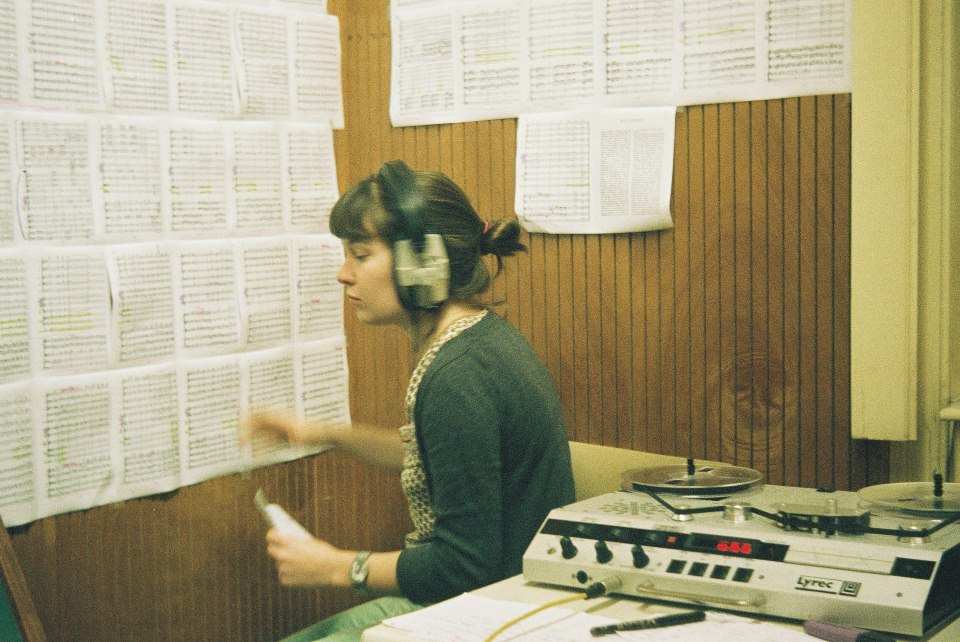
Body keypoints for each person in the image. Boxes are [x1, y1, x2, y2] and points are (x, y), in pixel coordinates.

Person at [240, 160, 575, 642]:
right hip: (488, 597)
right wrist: (324, 433)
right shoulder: (478, 340)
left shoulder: (458, 377)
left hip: (492, 611)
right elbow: (444, 460)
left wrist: (337, 567)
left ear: (423, 262)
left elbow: (463, 566)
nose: (343, 274)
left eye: (360, 255)